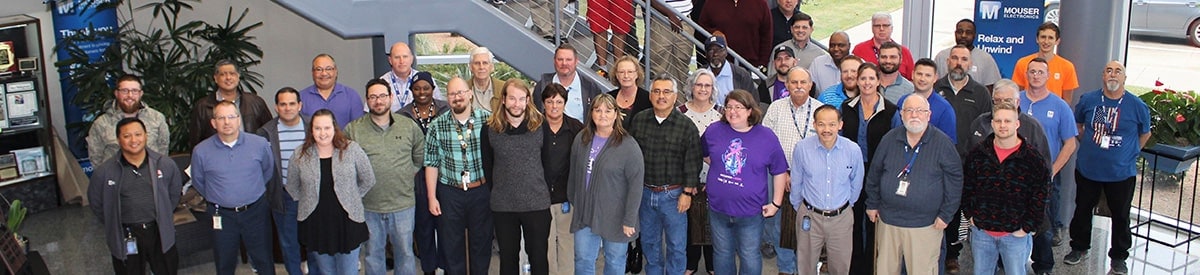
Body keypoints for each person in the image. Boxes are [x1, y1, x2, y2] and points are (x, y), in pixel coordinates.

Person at [1066, 61, 1151, 275]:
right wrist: (1089, 143)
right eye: (1109, 71)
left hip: (1121, 173)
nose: (1113, 75)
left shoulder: (1136, 105)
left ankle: (1119, 257)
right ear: (1103, 76)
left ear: (1124, 78)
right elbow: (1078, 126)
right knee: (1083, 209)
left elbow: (1145, 133)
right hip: (1088, 169)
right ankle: (1078, 247)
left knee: (1121, 215)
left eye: (1118, 71)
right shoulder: (1090, 100)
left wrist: (1131, 152)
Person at [865, 95, 962, 275]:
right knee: (885, 269)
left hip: (926, 224)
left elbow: (955, 181)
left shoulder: (942, 143)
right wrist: (872, 203)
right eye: (909, 110)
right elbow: (875, 173)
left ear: (929, 114)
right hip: (889, 222)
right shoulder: (889, 139)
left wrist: (946, 214)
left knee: (923, 270)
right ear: (901, 114)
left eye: (920, 111)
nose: (914, 115)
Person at [701, 90, 789, 275]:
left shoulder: (766, 137)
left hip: (751, 212)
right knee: (722, 253)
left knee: (749, 255)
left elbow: (779, 171)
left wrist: (776, 203)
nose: (733, 111)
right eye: (729, 107)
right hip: (719, 209)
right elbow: (706, 155)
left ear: (750, 111)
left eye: (738, 107)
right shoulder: (714, 131)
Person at [345, 79, 427, 275]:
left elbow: (419, 155)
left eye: (382, 96)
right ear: (367, 101)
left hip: (403, 205)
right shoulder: (353, 130)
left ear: (390, 98)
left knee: (405, 254)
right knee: (373, 254)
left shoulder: (408, 126)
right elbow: (345, 165)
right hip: (368, 206)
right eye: (373, 97)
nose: (378, 101)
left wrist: (407, 173)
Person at [962, 102, 1050, 275]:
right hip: (982, 233)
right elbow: (967, 186)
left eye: (1008, 121)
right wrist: (970, 215)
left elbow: (1041, 196)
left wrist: (1026, 227)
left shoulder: (1032, 159)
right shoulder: (978, 154)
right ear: (992, 124)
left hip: (1015, 235)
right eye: (999, 121)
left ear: (1017, 124)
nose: (1003, 125)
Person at [628, 76, 703, 275]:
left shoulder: (686, 126)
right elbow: (631, 156)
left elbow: (693, 162)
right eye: (657, 91)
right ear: (650, 95)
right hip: (644, 194)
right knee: (649, 243)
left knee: (677, 246)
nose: (661, 96)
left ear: (675, 96)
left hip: (674, 196)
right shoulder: (639, 120)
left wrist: (687, 193)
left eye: (666, 92)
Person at [190, 101, 276, 275]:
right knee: (224, 262)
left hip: (255, 211)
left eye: (231, 117)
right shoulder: (201, 151)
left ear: (239, 120)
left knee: (264, 259)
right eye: (221, 118)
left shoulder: (259, 144)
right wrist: (220, 197)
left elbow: (267, 171)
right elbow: (199, 181)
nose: (226, 122)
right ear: (213, 123)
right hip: (221, 215)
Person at [88, 117, 182, 275]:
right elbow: (98, 204)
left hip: (158, 231)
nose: (133, 140)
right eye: (126, 136)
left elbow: (174, 194)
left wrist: (164, 214)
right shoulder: (105, 172)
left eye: (138, 134)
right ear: (118, 139)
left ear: (146, 136)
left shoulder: (164, 164)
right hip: (127, 234)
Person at [287, 109, 374, 274]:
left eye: (327, 128)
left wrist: (352, 196)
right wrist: (308, 199)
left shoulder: (352, 149)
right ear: (311, 130)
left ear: (334, 128)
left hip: (348, 221)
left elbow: (368, 179)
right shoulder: (300, 154)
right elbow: (292, 186)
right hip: (316, 224)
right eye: (317, 128)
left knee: (348, 271)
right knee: (326, 271)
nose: (322, 133)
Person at [480, 79, 552, 275]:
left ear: (528, 100)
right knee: (508, 259)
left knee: (538, 258)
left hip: (536, 205)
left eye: (521, 99)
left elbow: (547, 164)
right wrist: (502, 191)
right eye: (512, 98)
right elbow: (488, 167)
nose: (516, 104)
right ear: (503, 99)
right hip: (504, 207)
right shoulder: (489, 129)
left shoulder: (540, 126)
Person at [423, 77, 494, 275]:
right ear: (447, 98)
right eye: (452, 94)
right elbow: (431, 163)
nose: (457, 97)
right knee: (451, 245)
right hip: (450, 193)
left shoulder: (489, 120)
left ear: (470, 93)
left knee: (481, 243)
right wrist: (431, 197)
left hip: (481, 191)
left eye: (461, 92)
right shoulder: (437, 126)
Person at [568, 93, 645, 275]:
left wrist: (629, 219)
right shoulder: (581, 139)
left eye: (608, 111)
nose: (603, 115)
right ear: (591, 113)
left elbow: (635, 186)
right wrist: (575, 201)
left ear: (616, 114)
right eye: (598, 110)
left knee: (615, 262)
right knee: (583, 260)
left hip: (616, 217)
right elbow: (573, 174)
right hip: (585, 213)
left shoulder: (628, 146)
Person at [760, 68, 824, 275]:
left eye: (803, 82)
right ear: (786, 85)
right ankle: (786, 268)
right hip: (779, 174)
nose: (798, 86)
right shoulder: (776, 108)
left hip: (811, 178)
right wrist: (784, 172)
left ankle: (806, 267)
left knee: (809, 224)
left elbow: (827, 146)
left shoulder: (821, 110)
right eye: (794, 82)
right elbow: (766, 144)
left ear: (810, 85)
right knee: (780, 223)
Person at [1019, 58, 1079, 275]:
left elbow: (1070, 143)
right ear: (1026, 75)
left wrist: (1053, 170)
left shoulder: (1060, 106)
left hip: (1044, 178)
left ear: (1048, 76)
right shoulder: (1015, 101)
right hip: (1014, 177)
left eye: (1040, 72)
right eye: (1032, 71)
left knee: (1043, 228)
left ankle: (1043, 266)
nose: (1036, 75)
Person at [790, 105, 864, 275]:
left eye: (832, 124)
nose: (826, 129)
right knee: (806, 265)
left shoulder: (853, 150)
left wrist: (845, 207)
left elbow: (856, 183)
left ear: (840, 125)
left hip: (841, 218)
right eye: (821, 124)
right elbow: (797, 181)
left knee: (840, 267)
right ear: (814, 125)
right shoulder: (802, 148)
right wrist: (800, 208)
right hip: (810, 216)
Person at [253, 87, 316, 275]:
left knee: (314, 241)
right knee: (289, 242)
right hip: (284, 195)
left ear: (300, 105)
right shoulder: (265, 132)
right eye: (283, 104)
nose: (287, 108)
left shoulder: (312, 126)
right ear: (276, 107)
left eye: (292, 103)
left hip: (311, 193)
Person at [397, 72, 451, 275]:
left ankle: (447, 267)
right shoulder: (402, 115)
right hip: (417, 178)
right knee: (423, 227)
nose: (422, 92)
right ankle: (428, 268)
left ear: (433, 89)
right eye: (417, 88)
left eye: (426, 88)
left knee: (446, 227)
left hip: (445, 175)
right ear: (411, 90)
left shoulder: (445, 109)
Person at [679, 69, 721, 275]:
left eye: (707, 85)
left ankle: (713, 267)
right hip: (688, 181)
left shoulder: (722, 114)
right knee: (690, 227)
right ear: (691, 87)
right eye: (699, 84)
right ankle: (690, 266)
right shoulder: (680, 112)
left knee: (714, 227)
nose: (703, 89)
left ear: (712, 89)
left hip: (716, 180)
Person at [540, 83, 585, 275]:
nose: (554, 106)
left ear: (565, 103)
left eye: (559, 101)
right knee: (545, 245)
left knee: (567, 243)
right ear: (543, 104)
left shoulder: (576, 128)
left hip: (567, 197)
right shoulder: (534, 126)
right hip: (540, 197)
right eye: (550, 102)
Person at [87, 74, 169, 167]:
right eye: (124, 91)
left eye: (134, 91)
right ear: (116, 93)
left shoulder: (157, 118)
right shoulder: (101, 123)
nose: (130, 95)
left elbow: (163, 150)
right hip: (116, 178)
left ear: (141, 93)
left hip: (151, 176)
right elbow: (95, 158)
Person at [189, 60, 273, 148]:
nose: (228, 77)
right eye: (223, 74)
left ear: (238, 76)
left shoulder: (255, 102)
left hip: (250, 157)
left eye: (232, 73)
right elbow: (195, 141)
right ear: (215, 78)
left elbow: (269, 133)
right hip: (217, 158)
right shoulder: (202, 106)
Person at [936, 45, 994, 155]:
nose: (959, 63)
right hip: (937, 155)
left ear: (970, 64)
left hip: (970, 157)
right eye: (954, 58)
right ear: (948, 61)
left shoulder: (981, 93)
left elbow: (987, 127)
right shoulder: (935, 89)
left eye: (964, 59)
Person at [890, 58, 957, 143]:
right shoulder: (903, 101)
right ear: (912, 74)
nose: (922, 79)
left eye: (928, 75)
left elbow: (949, 144)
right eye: (919, 74)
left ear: (935, 78)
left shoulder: (945, 109)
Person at [533, 44, 607, 121]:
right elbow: (535, 115)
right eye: (560, 59)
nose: (564, 63)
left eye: (568, 60)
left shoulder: (590, 87)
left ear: (576, 61)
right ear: (554, 61)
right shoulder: (542, 86)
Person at [1011, 22, 1079, 100]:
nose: (1046, 42)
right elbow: (1017, 95)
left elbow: (1066, 101)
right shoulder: (1022, 63)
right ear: (1037, 39)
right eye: (1043, 37)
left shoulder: (1067, 67)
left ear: (1057, 41)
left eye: (1050, 38)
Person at [698, 0, 772, 67]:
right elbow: (702, 26)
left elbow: (767, 35)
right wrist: (713, 32)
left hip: (751, 66)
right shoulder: (712, 2)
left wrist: (762, 63)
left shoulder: (761, 3)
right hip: (720, 65)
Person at [933, 20, 1001, 88]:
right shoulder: (941, 56)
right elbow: (933, 84)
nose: (963, 35)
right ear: (955, 33)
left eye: (968, 33)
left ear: (974, 35)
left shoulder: (986, 59)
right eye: (960, 32)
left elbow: (991, 89)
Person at [301, 53, 364, 127]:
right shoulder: (301, 97)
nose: (324, 73)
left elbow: (359, 128)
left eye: (328, 69)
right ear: (312, 73)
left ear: (336, 71)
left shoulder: (351, 96)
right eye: (319, 69)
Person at [379, 42, 445, 112]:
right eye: (397, 57)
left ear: (411, 59)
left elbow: (439, 107)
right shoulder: (381, 83)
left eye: (405, 57)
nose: (401, 61)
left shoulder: (425, 80)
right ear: (390, 60)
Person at [852, 13, 915, 79]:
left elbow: (912, 80)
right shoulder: (859, 50)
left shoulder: (904, 52)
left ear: (892, 28)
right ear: (872, 28)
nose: (881, 29)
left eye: (885, 25)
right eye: (877, 26)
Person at [648, 0, 695, 84]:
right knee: (660, 67)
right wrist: (670, 14)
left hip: (685, 21)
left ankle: (680, 97)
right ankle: (661, 95)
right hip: (661, 20)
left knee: (682, 65)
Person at [705, 33, 759, 106]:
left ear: (726, 52)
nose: (715, 54)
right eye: (711, 51)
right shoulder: (700, 74)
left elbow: (753, 103)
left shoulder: (740, 74)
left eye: (719, 50)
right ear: (706, 54)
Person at [770, 12, 826, 77]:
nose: (800, 30)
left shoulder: (819, 54)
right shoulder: (778, 49)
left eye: (804, 27)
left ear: (811, 30)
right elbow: (771, 77)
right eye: (797, 27)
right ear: (791, 29)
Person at [608, 56, 653, 129]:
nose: (626, 76)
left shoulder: (648, 99)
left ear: (637, 74)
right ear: (616, 75)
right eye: (622, 72)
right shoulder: (609, 97)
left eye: (630, 72)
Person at [467, 47, 504, 112]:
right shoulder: (464, 89)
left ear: (492, 67)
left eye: (485, 63)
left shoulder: (503, 88)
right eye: (477, 63)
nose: (481, 67)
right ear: (470, 67)